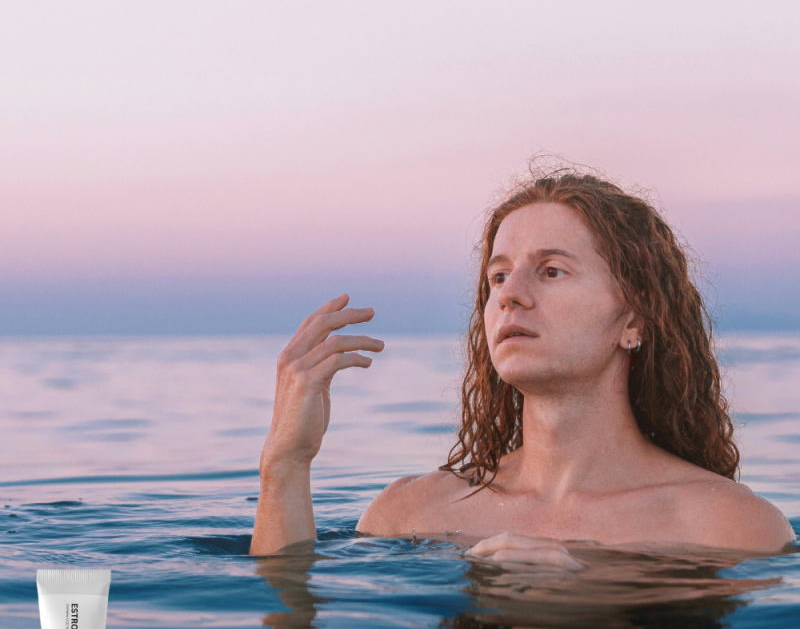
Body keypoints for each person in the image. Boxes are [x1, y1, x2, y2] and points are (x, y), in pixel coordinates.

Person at [250, 168, 793, 559]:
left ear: (636, 321)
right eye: (498, 277)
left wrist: (569, 614)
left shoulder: (731, 527)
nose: (511, 295)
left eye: (551, 271)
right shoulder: (407, 513)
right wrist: (285, 465)